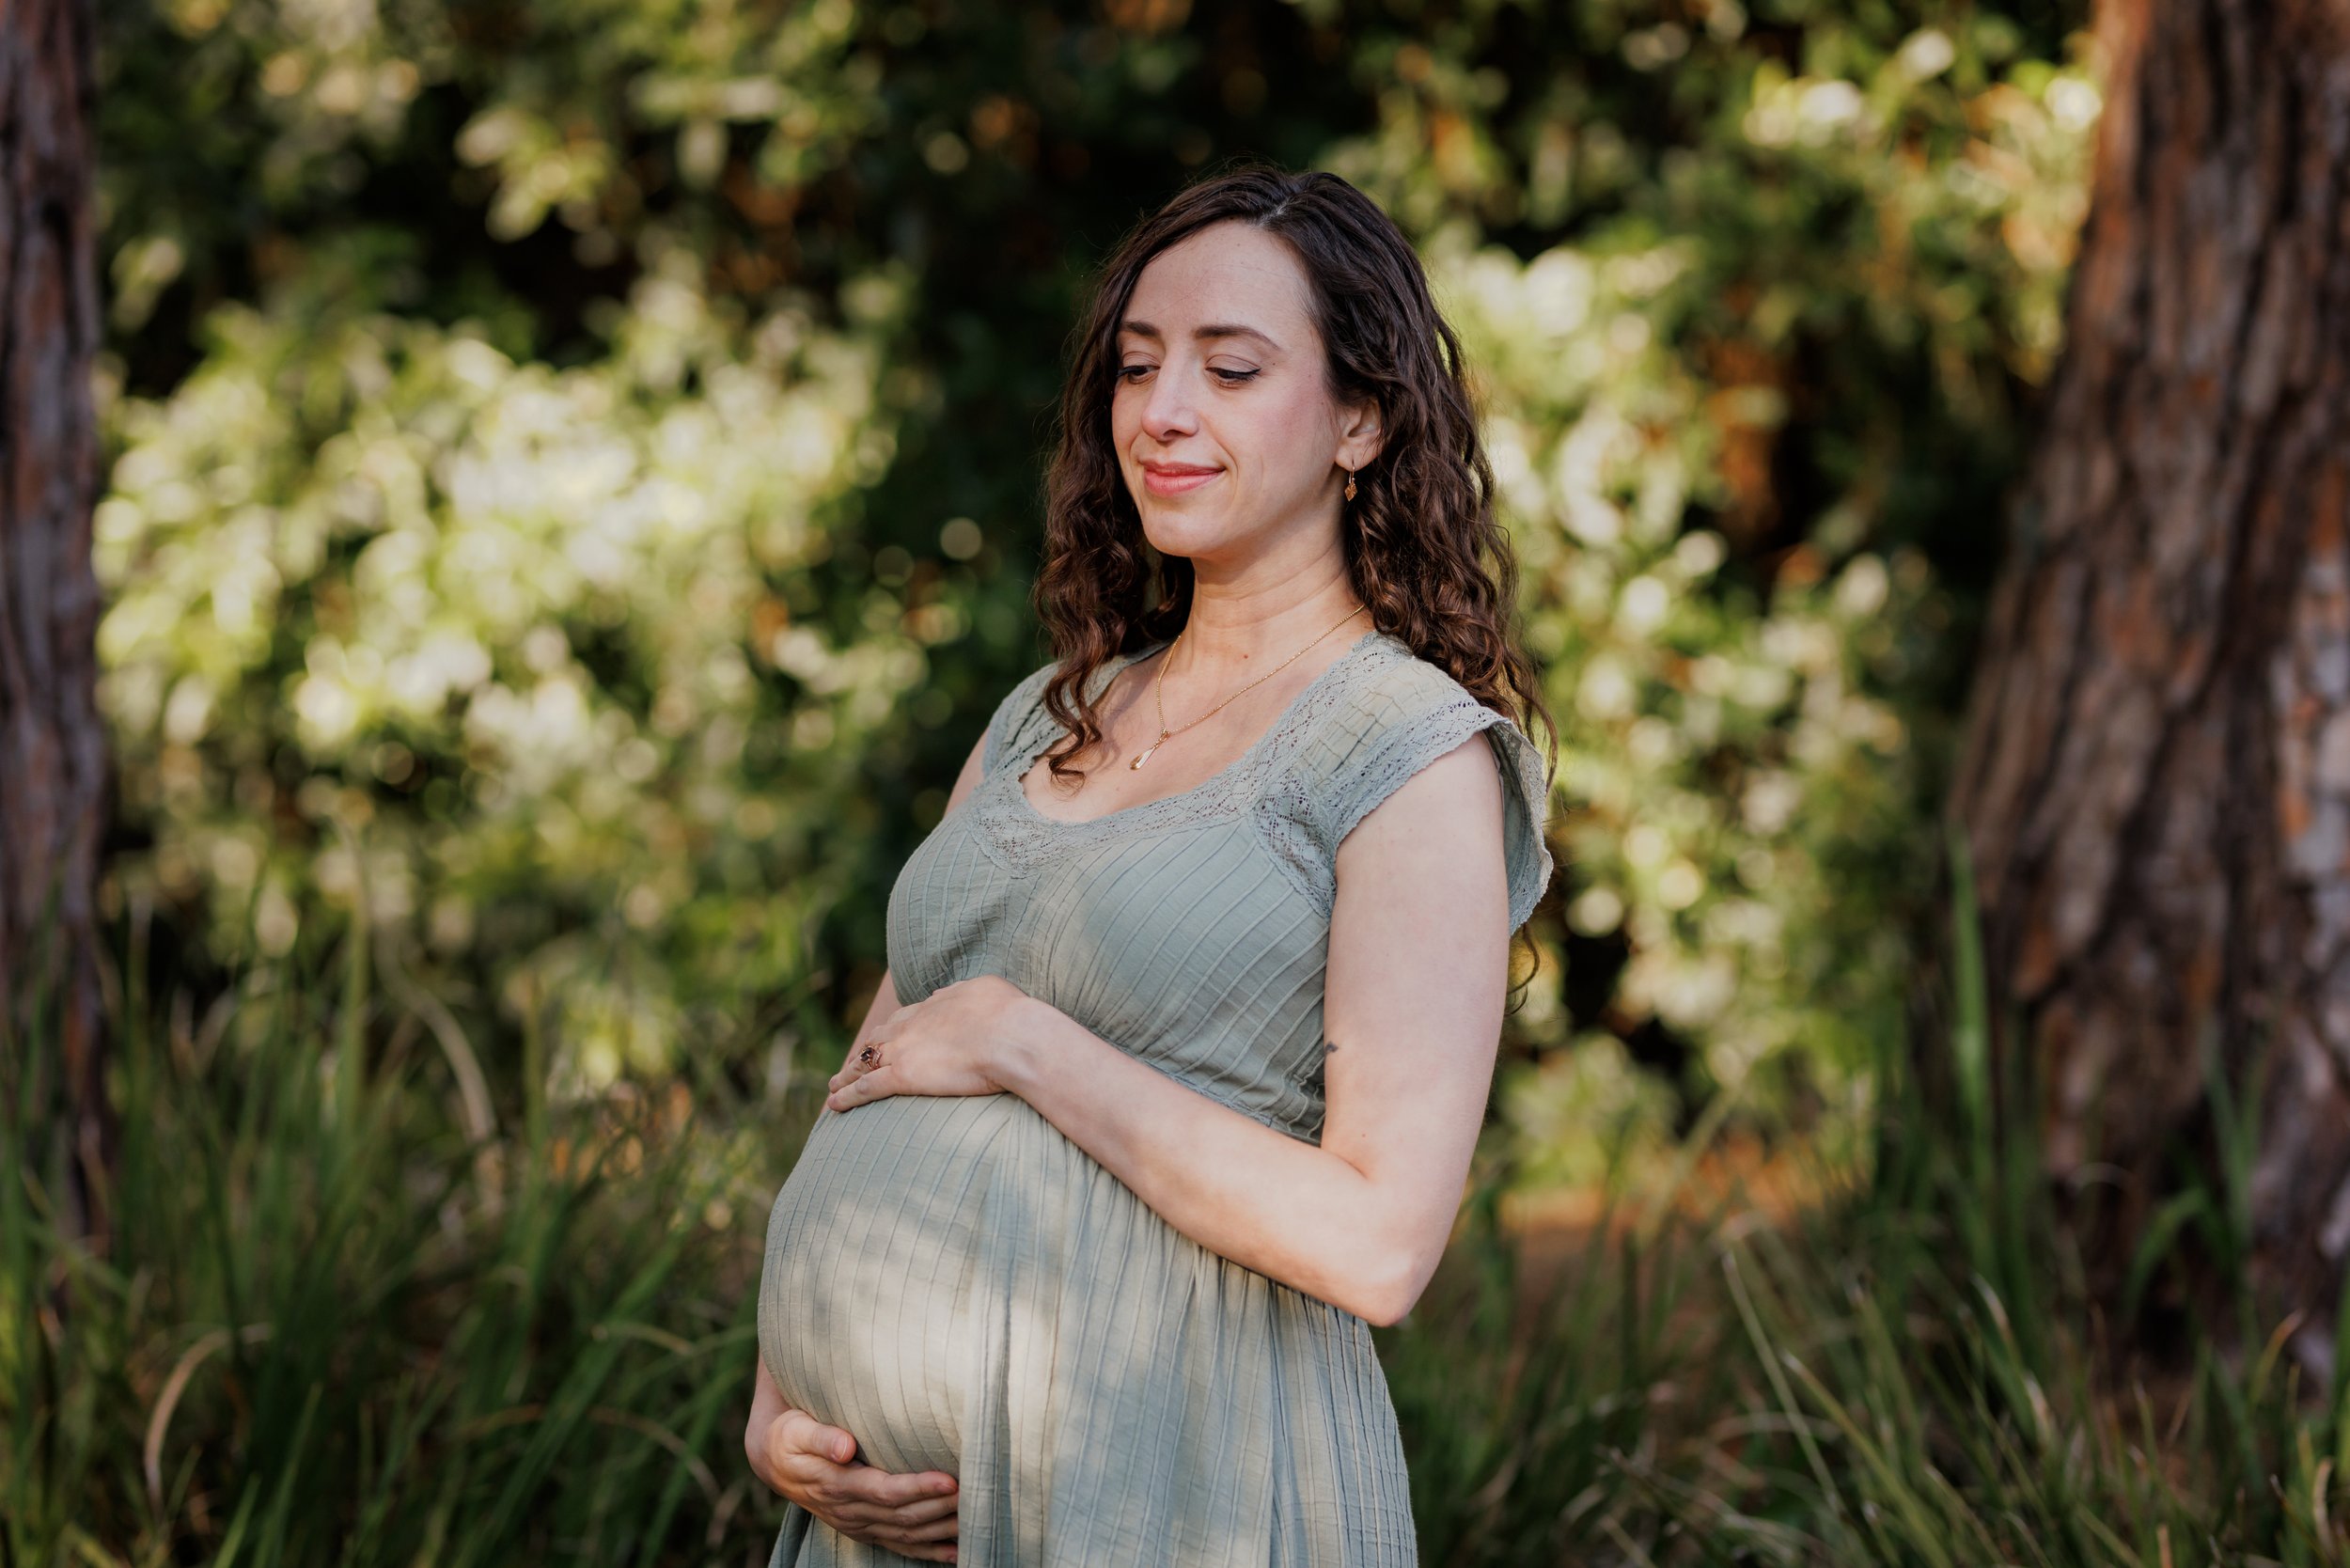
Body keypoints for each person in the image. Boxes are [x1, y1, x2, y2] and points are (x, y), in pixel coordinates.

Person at [742, 162, 1557, 1566]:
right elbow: (871, 1076)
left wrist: (1022, 1042)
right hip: (891, 1535)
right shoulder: (1040, 716)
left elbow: (1378, 1246)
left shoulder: (1407, 756)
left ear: (1361, 420)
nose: (1163, 413)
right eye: (1137, 367)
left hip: (1189, 1492)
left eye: (1232, 370)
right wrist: (781, 1411)